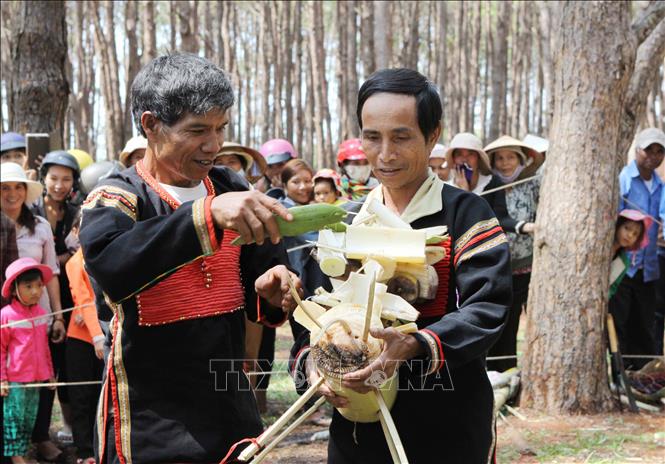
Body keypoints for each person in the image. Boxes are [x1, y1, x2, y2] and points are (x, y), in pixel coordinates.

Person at [79, 53, 302, 462]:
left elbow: (264, 267)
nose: (213, 145)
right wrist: (205, 216)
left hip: (230, 407)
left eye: (220, 129)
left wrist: (274, 286)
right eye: (197, 130)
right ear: (150, 125)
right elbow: (111, 265)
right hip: (151, 422)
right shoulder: (117, 198)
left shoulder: (229, 184)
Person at [290, 68, 511, 463]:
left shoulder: (466, 215)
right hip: (359, 425)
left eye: (402, 137)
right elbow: (315, 315)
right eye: (372, 137)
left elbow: (487, 309)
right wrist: (313, 365)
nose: (385, 154)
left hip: (448, 420)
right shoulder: (344, 221)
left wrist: (415, 343)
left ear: (433, 135)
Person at [0, 162, 66, 461]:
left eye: (17, 187)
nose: (12, 194)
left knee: (40, 374)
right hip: (5, 316)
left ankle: (40, 437)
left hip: (36, 316)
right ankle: (11, 446)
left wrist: (57, 316)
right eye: (4, 188)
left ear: (26, 191)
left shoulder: (39, 225)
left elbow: (51, 274)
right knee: (8, 380)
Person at [32, 150, 82, 445]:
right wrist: (64, 255)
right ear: (44, 179)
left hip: (73, 296)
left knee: (68, 364)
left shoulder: (78, 212)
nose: (59, 185)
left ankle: (67, 425)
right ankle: (38, 433)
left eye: (66, 179)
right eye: (54, 178)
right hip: (36, 295)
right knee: (41, 364)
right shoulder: (31, 211)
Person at [484, 135, 540, 372]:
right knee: (505, 323)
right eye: (500, 158)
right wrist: (521, 226)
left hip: (531, 266)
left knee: (535, 322)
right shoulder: (491, 186)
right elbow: (497, 217)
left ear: (520, 159)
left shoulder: (534, 183)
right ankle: (502, 371)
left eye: (510, 157)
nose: (505, 163)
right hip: (502, 266)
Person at [613, 128, 665, 367]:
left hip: (648, 265)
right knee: (619, 320)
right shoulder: (623, 178)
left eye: (659, 151)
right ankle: (621, 374)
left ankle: (646, 375)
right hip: (622, 264)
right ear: (637, 150)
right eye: (649, 150)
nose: (653, 156)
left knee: (645, 322)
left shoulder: (661, 186)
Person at [1, 257, 56, 464]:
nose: (36, 291)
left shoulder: (42, 315)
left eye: (39, 286)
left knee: (28, 420)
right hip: (15, 381)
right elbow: (0, 350)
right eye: (29, 286)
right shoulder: (6, 316)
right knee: (13, 419)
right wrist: (2, 379)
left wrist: (49, 374)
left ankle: (23, 454)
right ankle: (16, 458)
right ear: (15, 290)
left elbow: (45, 348)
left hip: (36, 379)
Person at [64, 210, 104, 464]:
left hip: (105, 334)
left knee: (102, 396)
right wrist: (98, 336)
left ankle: (100, 446)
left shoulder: (103, 256)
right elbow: (84, 299)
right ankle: (84, 451)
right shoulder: (75, 262)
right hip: (82, 339)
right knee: (82, 397)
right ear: (76, 232)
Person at [445, 132, 520, 233]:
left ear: (478, 158)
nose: (465, 159)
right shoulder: (445, 189)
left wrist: (467, 194)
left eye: (470, 154)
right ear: (454, 159)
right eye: (459, 154)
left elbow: (499, 219)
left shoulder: (493, 183)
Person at [609, 209, 651, 299]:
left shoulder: (624, 262)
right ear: (618, 225)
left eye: (635, 234)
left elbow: (612, 288)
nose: (630, 235)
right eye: (627, 228)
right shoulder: (602, 246)